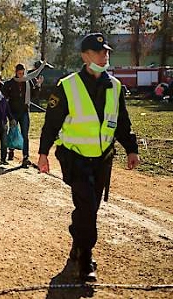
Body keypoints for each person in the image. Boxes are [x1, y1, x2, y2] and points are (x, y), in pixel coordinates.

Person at [37, 33, 140, 282]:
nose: (104, 56)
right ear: (85, 56)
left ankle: (78, 241)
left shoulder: (115, 86)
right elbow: (51, 123)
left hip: (103, 157)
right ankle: (86, 258)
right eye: (98, 52)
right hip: (75, 156)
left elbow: (122, 121)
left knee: (90, 207)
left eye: (106, 52)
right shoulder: (67, 85)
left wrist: (131, 148)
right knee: (86, 206)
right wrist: (43, 153)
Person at [2, 60, 46, 167]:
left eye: (23, 73)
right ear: (16, 72)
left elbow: (34, 95)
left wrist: (38, 85)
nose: (21, 75)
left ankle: (25, 157)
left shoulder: (28, 82)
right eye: (19, 73)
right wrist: (9, 116)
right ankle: (11, 150)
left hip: (24, 112)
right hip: (13, 112)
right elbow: (5, 100)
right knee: (13, 132)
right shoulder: (10, 83)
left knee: (25, 134)